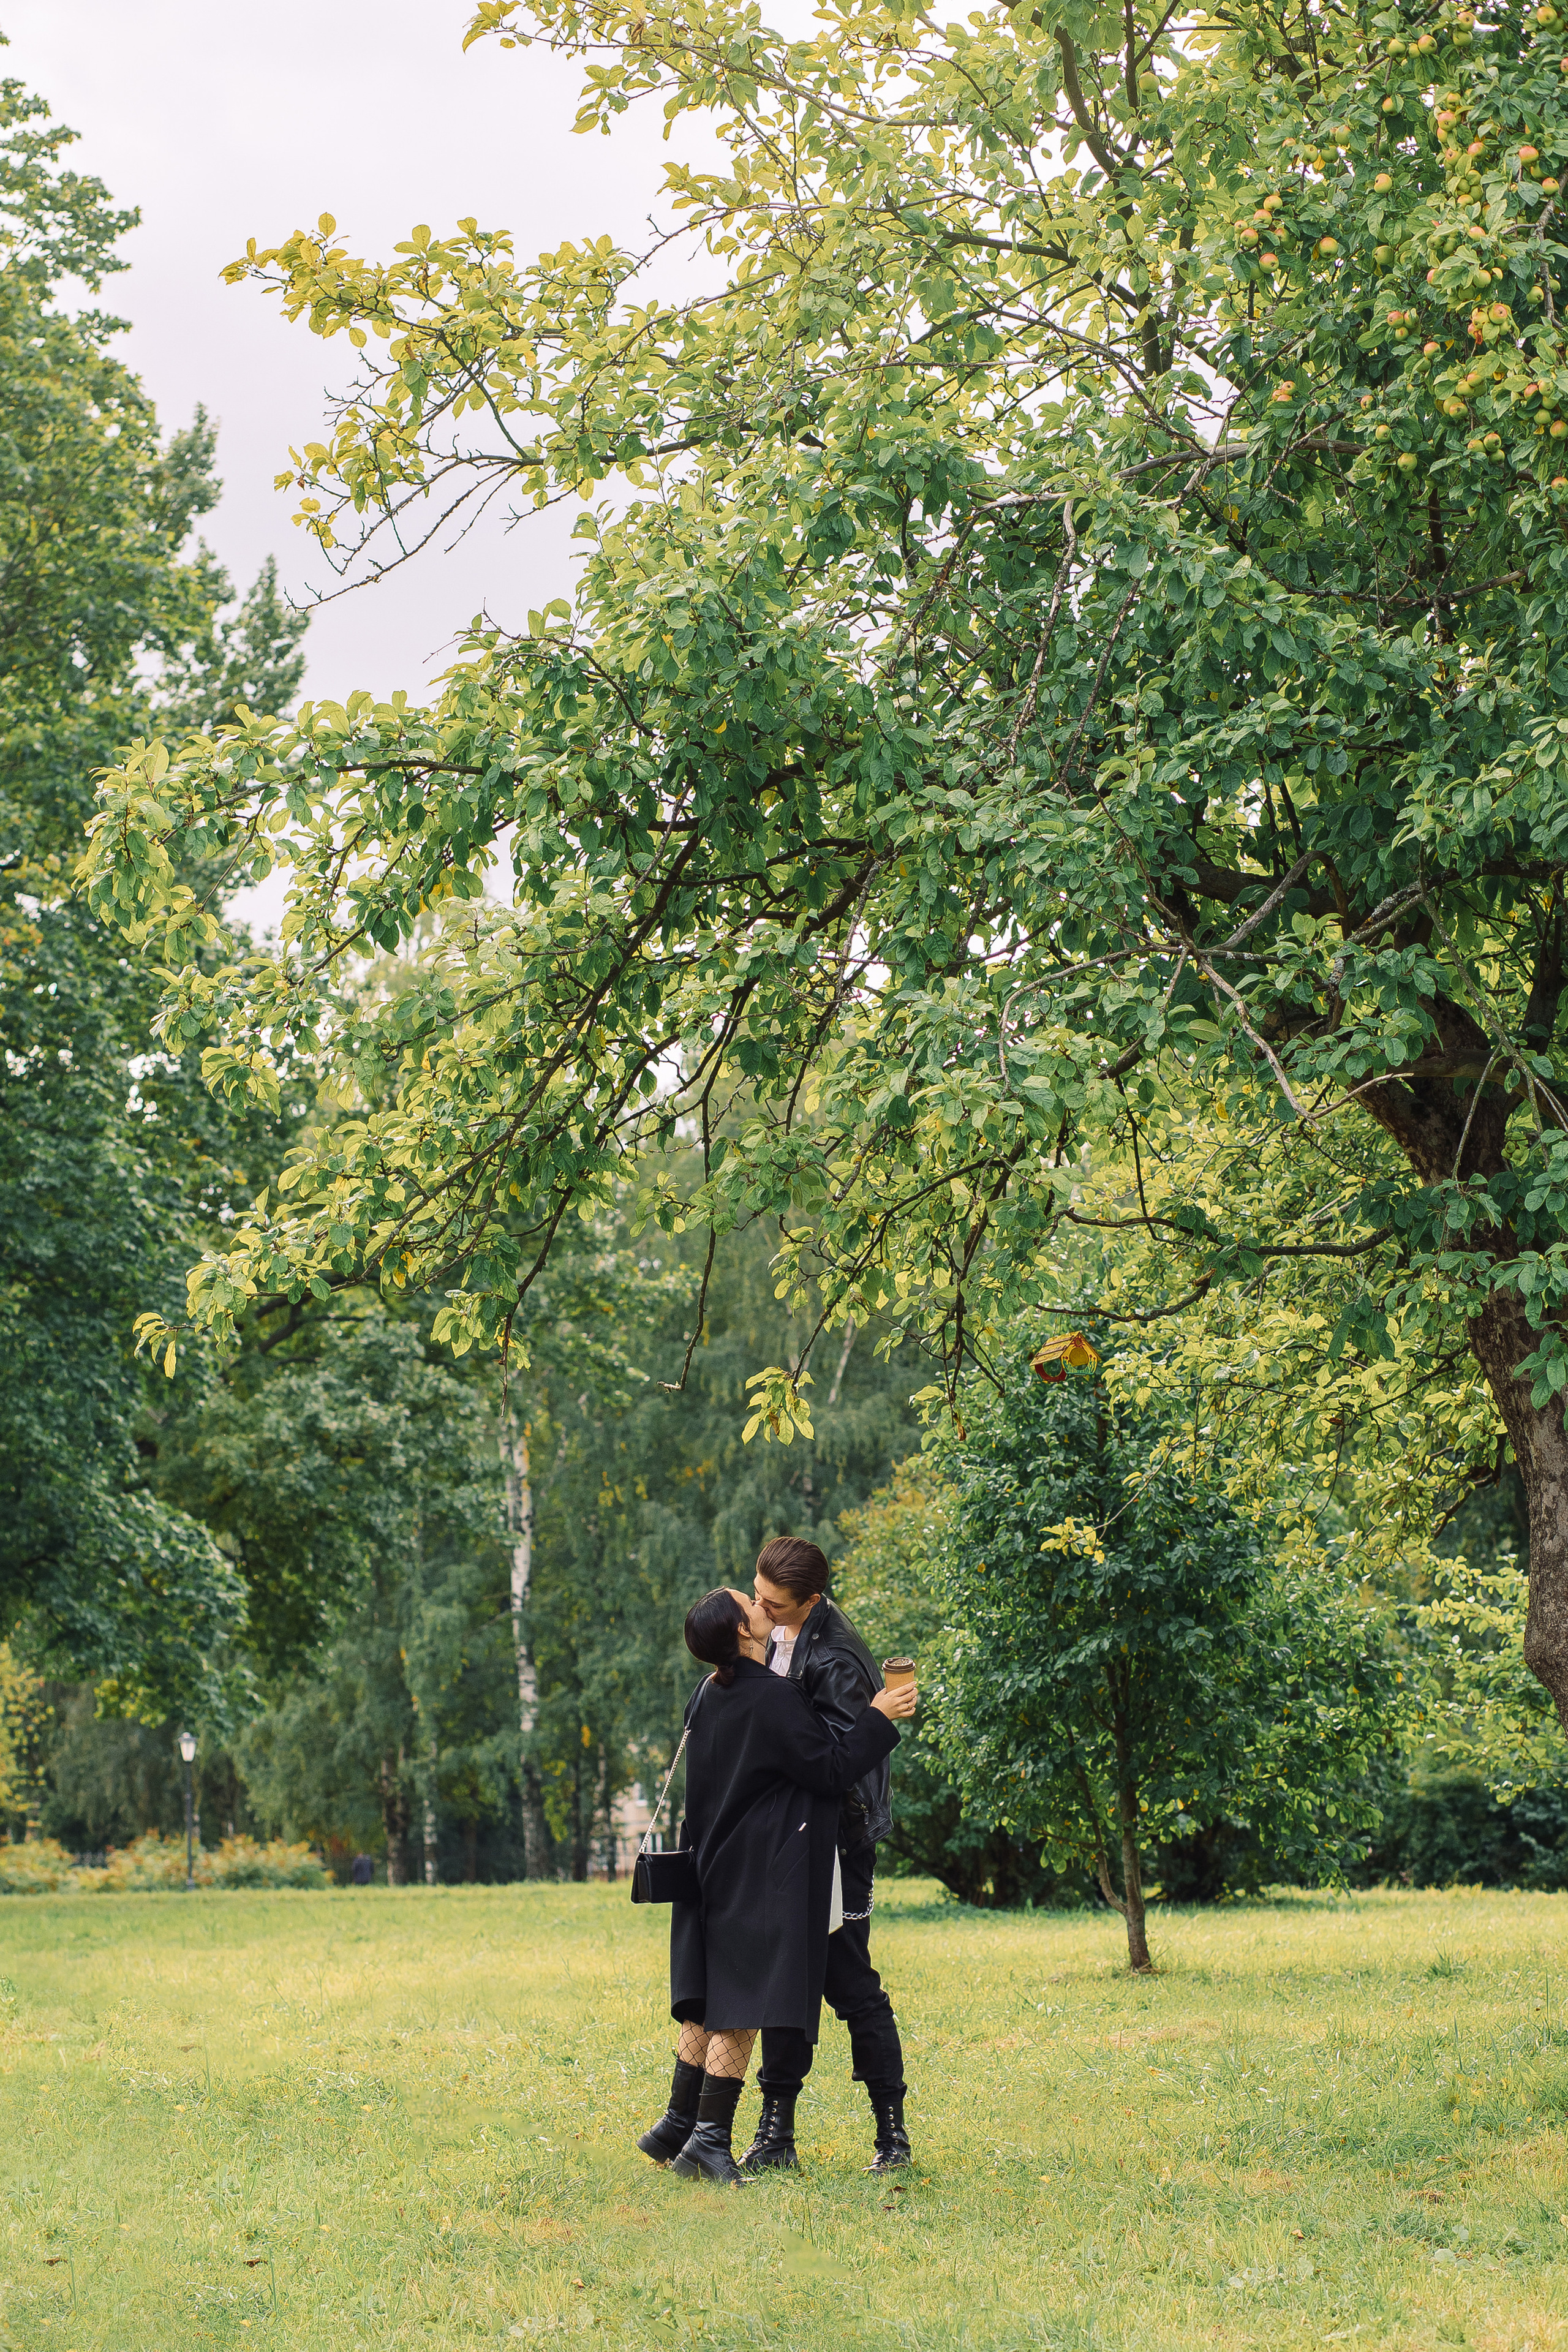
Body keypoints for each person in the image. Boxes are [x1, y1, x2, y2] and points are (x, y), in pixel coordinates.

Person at [636, 1586, 916, 2184]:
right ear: (743, 1631)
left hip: (709, 1866)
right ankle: (708, 2143)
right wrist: (879, 1716)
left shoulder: (706, 1693)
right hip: (757, 1871)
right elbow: (832, 1769)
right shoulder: (773, 1698)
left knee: (707, 2005)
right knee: (738, 2008)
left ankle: (678, 2125)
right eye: (754, 1605)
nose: (765, 1608)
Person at [744, 1535, 911, 2176]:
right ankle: (774, 2135)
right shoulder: (783, 1632)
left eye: (773, 1604)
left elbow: (840, 1767)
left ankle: (891, 2138)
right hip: (791, 1842)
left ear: (811, 1600)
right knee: (785, 1983)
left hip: (835, 1845)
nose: (760, 1610)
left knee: (849, 1985)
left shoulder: (836, 1658)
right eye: (756, 1595)